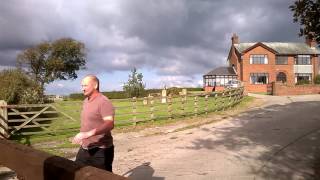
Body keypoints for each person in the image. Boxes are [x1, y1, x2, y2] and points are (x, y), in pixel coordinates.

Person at [72, 75, 115, 172]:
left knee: (102, 178)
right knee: (77, 173)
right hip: (85, 148)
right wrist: (83, 137)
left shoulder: (103, 102)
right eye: (82, 86)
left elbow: (109, 124)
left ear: (95, 85)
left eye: (85, 85)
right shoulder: (86, 101)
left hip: (101, 150)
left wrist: (87, 134)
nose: (82, 89)